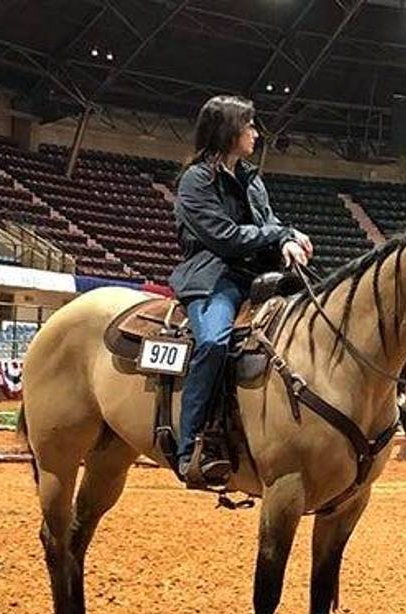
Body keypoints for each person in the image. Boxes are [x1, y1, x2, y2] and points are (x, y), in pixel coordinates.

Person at [169, 94, 312, 488]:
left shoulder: (251, 178)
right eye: (248, 124)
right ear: (228, 130)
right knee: (214, 343)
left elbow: (268, 222)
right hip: (214, 277)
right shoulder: (196, 180)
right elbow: (225, 237)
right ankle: (190, 446)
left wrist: (286, 239)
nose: (255, 132)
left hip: (257, 276)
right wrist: (280, 233)